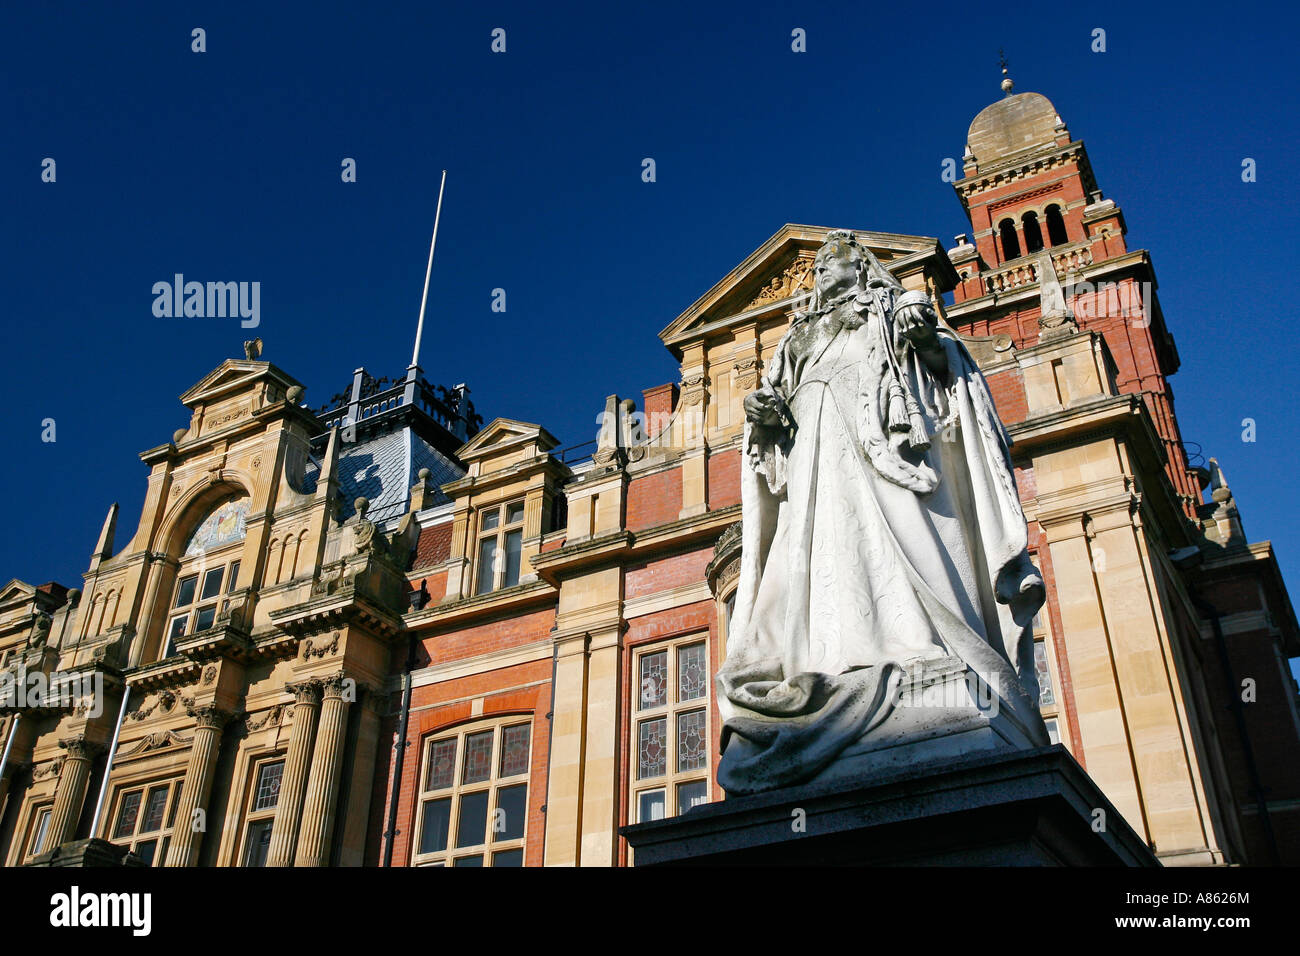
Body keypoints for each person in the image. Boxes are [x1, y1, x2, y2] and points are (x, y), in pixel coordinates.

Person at [717, 230, 1048, 794]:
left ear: (861, 266)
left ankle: (921, 645)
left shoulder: (891, 309)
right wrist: (763, 415)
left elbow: (946, 371)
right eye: (817, 267)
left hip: (886, 455)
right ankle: (830, 658)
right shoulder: (799, 338)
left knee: (898, 542)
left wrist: (926, 343)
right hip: (814, 464)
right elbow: (770, 423)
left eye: (832, 262)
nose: (821, 272)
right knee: (823, 557)